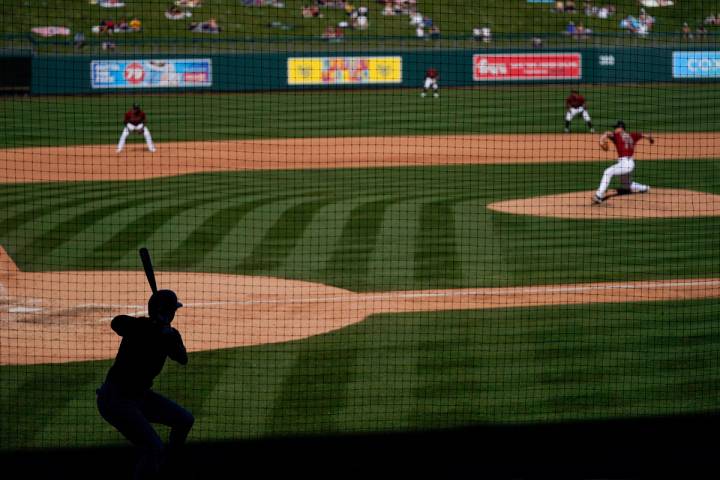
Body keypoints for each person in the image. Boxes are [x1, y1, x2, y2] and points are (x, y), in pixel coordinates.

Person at [96, 289, 194, 479]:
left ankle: (168, 467)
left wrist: (168, 335)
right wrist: (151, 326)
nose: (174, 314)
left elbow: (182, 358)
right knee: (152, 447)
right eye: (173, 310)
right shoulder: (139, 327)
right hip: (115, 399)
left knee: (185, 420)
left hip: (139, 396)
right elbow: (117, 322)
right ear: (167, 312)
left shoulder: (170, 335)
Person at [593, 120, 654, 204]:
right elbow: (644, 135)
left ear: (620, 128)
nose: (615, 129)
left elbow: (607, 133)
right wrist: (650, 139)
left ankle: (598, 195)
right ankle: (645, 188)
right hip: (629, 163)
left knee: (608, 172)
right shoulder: (632, 135)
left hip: (625, 164)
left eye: (616, 128)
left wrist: (601, 140)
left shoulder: (617, 135)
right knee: (627, 185)